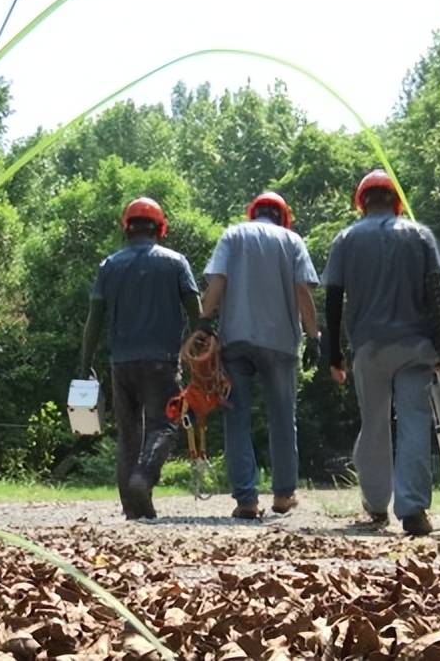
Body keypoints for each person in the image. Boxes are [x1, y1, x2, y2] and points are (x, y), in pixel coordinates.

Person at [323, 170, 440, 537]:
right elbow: (438, 294)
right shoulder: (420, 234)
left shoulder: (346, 238)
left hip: (369, 347)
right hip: (417, 345)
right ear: (396, 201)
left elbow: (333, 297)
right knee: (414, 421)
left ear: (362, 202)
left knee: (375, 422)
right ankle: (413, 508)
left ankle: (376, 503)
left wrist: (333, 352)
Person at [199, 191, 322, 519]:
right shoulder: (292, 240)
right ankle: (283, 496)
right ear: (283, 216)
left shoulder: (233, 234)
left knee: (235, 417)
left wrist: (203, 322)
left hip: (235, 340)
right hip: (280, 343)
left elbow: (218, 281)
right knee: (282, 417)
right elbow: (302, 291)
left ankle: (246, 501)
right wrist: (314, 336)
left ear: (254, 213)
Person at [79, 197, 201, 520]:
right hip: (161, 361)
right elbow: (196, 313)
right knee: (165, 426)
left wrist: (84, 362)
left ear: (127, 229)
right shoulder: (175, 263)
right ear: (160, 228)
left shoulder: (109, 265)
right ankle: (143, 478)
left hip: (121, 363)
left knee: (128, 433)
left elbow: (94, 320)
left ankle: (134, 509)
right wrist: (201, 352)